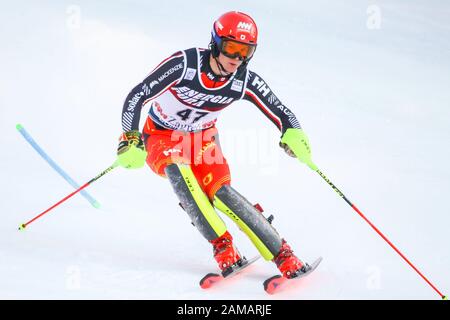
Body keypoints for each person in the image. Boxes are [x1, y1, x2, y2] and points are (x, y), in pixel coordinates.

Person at [117, 11, 317, 279]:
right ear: (215, 43)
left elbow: (281, 111)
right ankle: (223, 247)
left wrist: (294, 133)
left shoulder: (243, 80)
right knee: (178, 171)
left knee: (220, 193)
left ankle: (284, 256)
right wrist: (130, 137)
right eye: (231, 48)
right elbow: (138, 94)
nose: (236, 59)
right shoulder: (185, 64)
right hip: (161, 136)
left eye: (245, 51)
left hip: (202, 139)